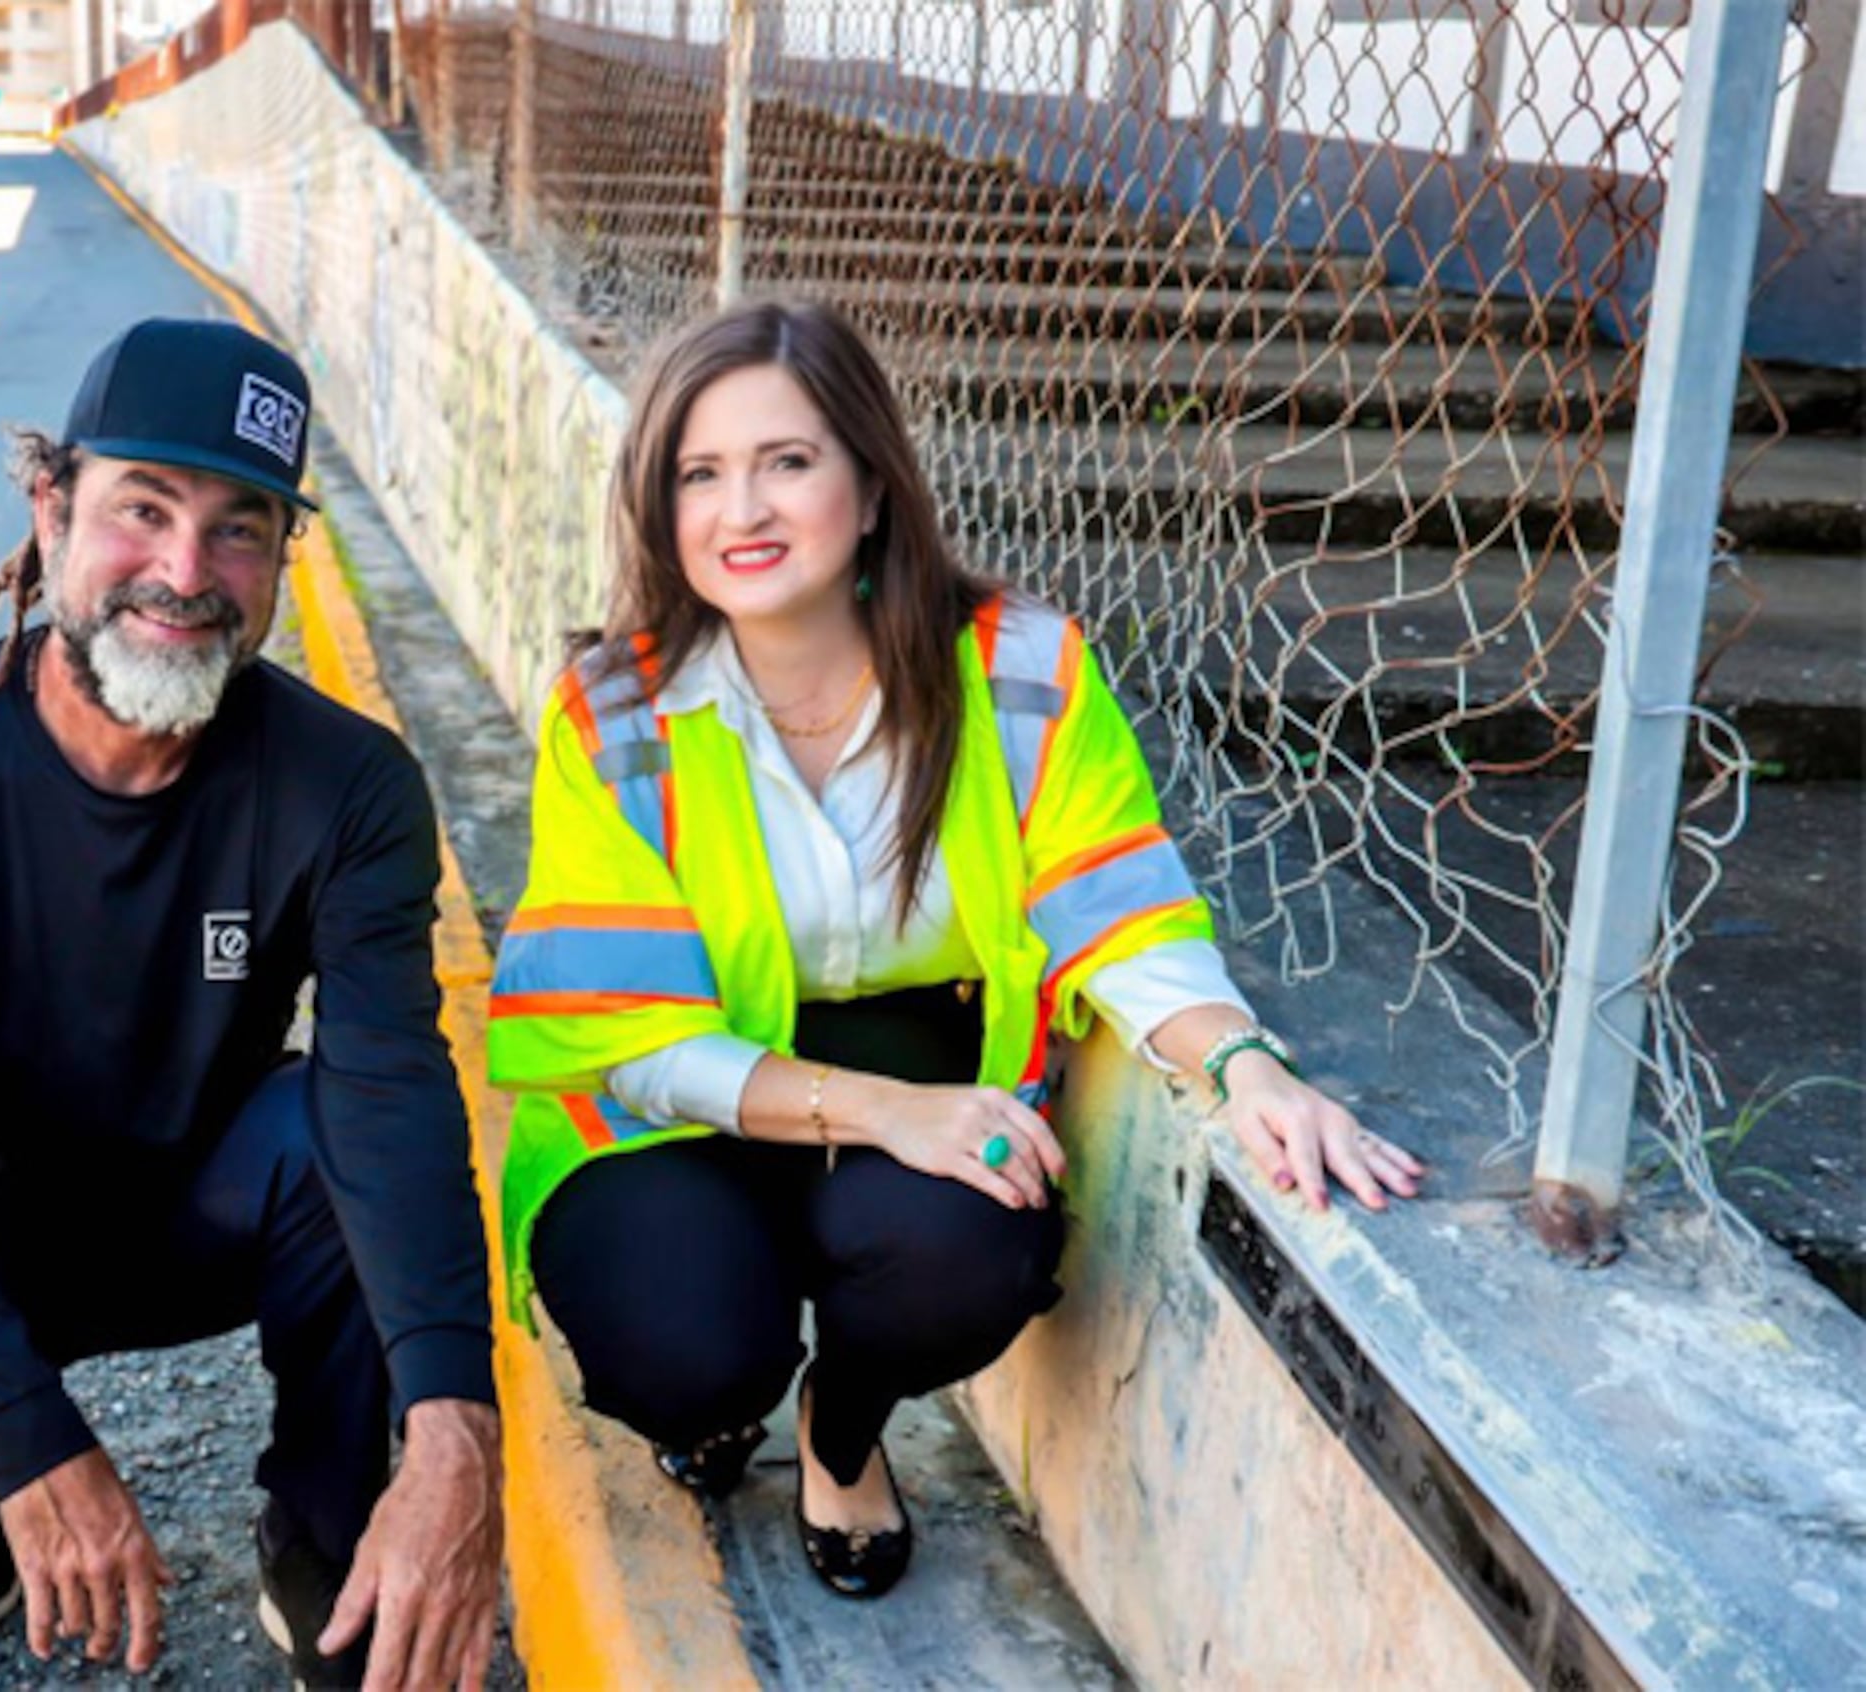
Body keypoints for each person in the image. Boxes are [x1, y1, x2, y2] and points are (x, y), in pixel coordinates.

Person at [486, 299, 1422, 1600]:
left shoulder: (1018, 668)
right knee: (680, 1353)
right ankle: (726, 1393)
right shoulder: (614, 713)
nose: (742, 510)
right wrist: (881, 1111)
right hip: (679, 1098)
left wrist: (1244, 1068)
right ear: (659, 503)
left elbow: (1120, 909)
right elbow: (630, 1036)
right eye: (700, 473)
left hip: (924, 1052)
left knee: (968, 1250)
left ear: (872, 486)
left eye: (787, 462)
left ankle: (843, 1425)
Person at [0, 317, 504, 1689]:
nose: (185, 571)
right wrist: (32, 1446)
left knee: (337, 1138)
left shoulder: (349, 788)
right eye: (141, 509)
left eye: (238, 529)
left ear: (282, 558)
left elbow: (393, 1095)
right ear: (50, 510)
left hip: (190, 1204)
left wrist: (459, 1432)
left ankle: (323, 1541)